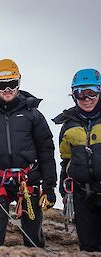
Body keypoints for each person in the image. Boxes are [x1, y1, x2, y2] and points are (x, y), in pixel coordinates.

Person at [0, 58, 57, 247]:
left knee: (33, 237)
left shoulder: (33, 114)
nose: (7, 89)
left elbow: (46, 151)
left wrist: (49, 187)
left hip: (29, 180)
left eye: (12, 83)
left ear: (19, 83)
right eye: (2, 85)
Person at [53, 68, 101, 252]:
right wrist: (63, 191)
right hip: (82, 195)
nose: (86, 98)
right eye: (80, 93)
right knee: (88, 247)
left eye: (92, 92)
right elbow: (65, 160)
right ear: (74, 95)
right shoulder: (68, 125)